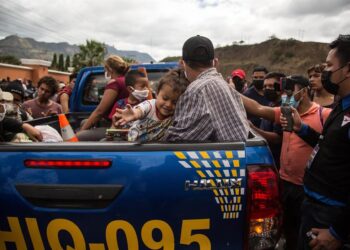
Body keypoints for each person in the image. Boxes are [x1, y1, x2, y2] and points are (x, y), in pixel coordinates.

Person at [241, 75, 332, 250]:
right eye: (285, 92)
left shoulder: (324, 115)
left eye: (291, 92)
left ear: (304, 92)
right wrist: (228, 89)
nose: (286, 96)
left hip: (307, 189)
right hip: (285, 183)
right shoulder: (285, 112)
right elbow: (258, 108)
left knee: (304, 233)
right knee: (287, 229)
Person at [284, 35, 350, 250]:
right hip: (313, 207)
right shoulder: (341, 106)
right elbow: (327, 146)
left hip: (331, 216)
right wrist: (300, 128)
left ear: (347, 70)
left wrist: (338, 231)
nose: (325, 73)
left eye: (329, 66)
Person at [163, 35, 249, 141]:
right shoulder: (223, 84)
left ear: (183, 63)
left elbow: (178, 141)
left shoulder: (196, 91)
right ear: (213, 62)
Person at [113, 69, 188, 142]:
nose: (168, 105)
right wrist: (134, 114)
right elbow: (140, 110)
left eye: (175, 102)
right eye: (165, 98)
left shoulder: (176, 115)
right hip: (133, 147)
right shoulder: (150, 105)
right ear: (157, 94)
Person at [80, 55, 129, 131]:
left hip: (114, 125)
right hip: (122, 123)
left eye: (105, 70)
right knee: (84, 122)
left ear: (110, 69)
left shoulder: (114, 83)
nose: (105, 72)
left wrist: (81, 131)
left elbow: (100, 112)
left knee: (80, 135)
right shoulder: (126, 80)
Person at [249, 72, 285, 169]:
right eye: (265, 86)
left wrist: (254, 129)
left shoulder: (284, 109)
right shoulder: (270, 104)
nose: (267, 89)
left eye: (270, 86)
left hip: (279, 161)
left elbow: (278, 138)